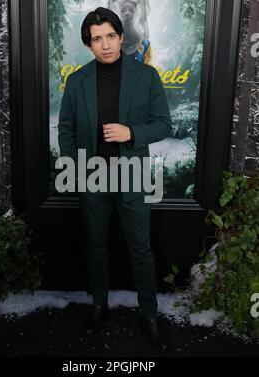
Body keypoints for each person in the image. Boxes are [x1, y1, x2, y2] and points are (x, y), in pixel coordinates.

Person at [58, 7, 172, 349]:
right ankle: (98, 304)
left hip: (132, 175)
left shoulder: (146, 76)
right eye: (97, 39)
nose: (105, 44)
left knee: (141, 249)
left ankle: (149, 315)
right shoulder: (77, 80)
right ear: (89, 45)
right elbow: (64, 129)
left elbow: (164, 125)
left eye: (110, 36)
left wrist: (130, 132)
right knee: (95, 246)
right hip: (91, 177)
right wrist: (73, 167)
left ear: (121, 37)